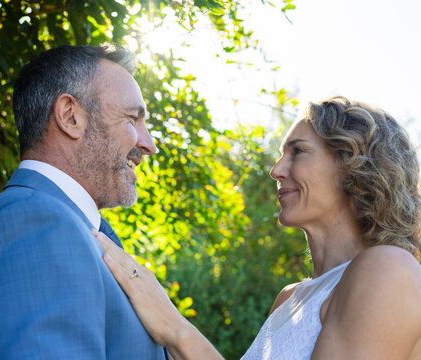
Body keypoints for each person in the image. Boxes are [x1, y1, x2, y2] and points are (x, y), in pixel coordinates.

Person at [93, 96, 421, 360]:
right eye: (282, 155)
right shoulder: (289, 299)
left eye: (298, 152)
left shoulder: (389, 269)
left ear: (355, 168)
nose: (277, 170)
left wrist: (177, 330)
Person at [0, 44, 169, 359]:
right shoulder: (29, 223)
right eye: (132, 118)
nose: (149, 144)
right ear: (70, 117)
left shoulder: (64, 226)